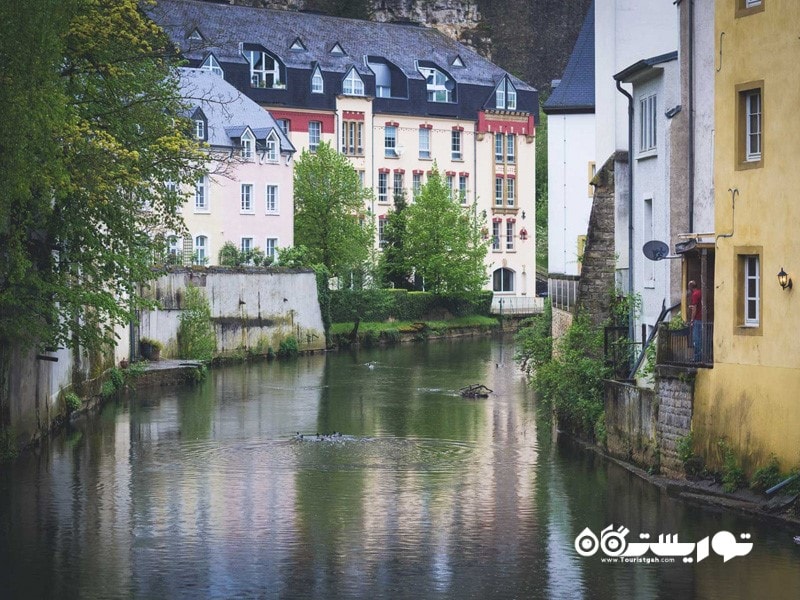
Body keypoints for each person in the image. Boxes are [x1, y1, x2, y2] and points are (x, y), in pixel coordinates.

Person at [688, 280, 702, 362]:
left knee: (696, 339)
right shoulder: (700, 292)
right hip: (702, 319)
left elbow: (694, 308)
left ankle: (697, 358)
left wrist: (692, 319)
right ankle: (701, 356)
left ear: (690, 287)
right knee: (701, 338)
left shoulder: (695, 294)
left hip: (697, 319)